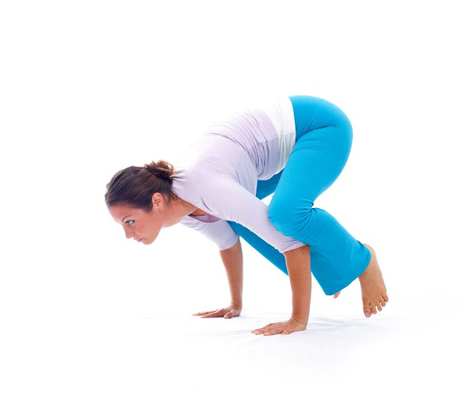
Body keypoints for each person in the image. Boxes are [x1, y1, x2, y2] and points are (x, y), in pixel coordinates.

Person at [105, 95, 388, 336]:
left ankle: (363, 258)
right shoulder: (184, 209)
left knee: (286, 215)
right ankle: (335, 267)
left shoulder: (207, 188)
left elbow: (293, 245)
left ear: (156, 201)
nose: (128, 234)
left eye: (129, 221)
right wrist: (235, 304)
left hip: (319, 127)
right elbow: (227, 243)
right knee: (242, 222)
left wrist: (298, 320)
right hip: (275, 156)